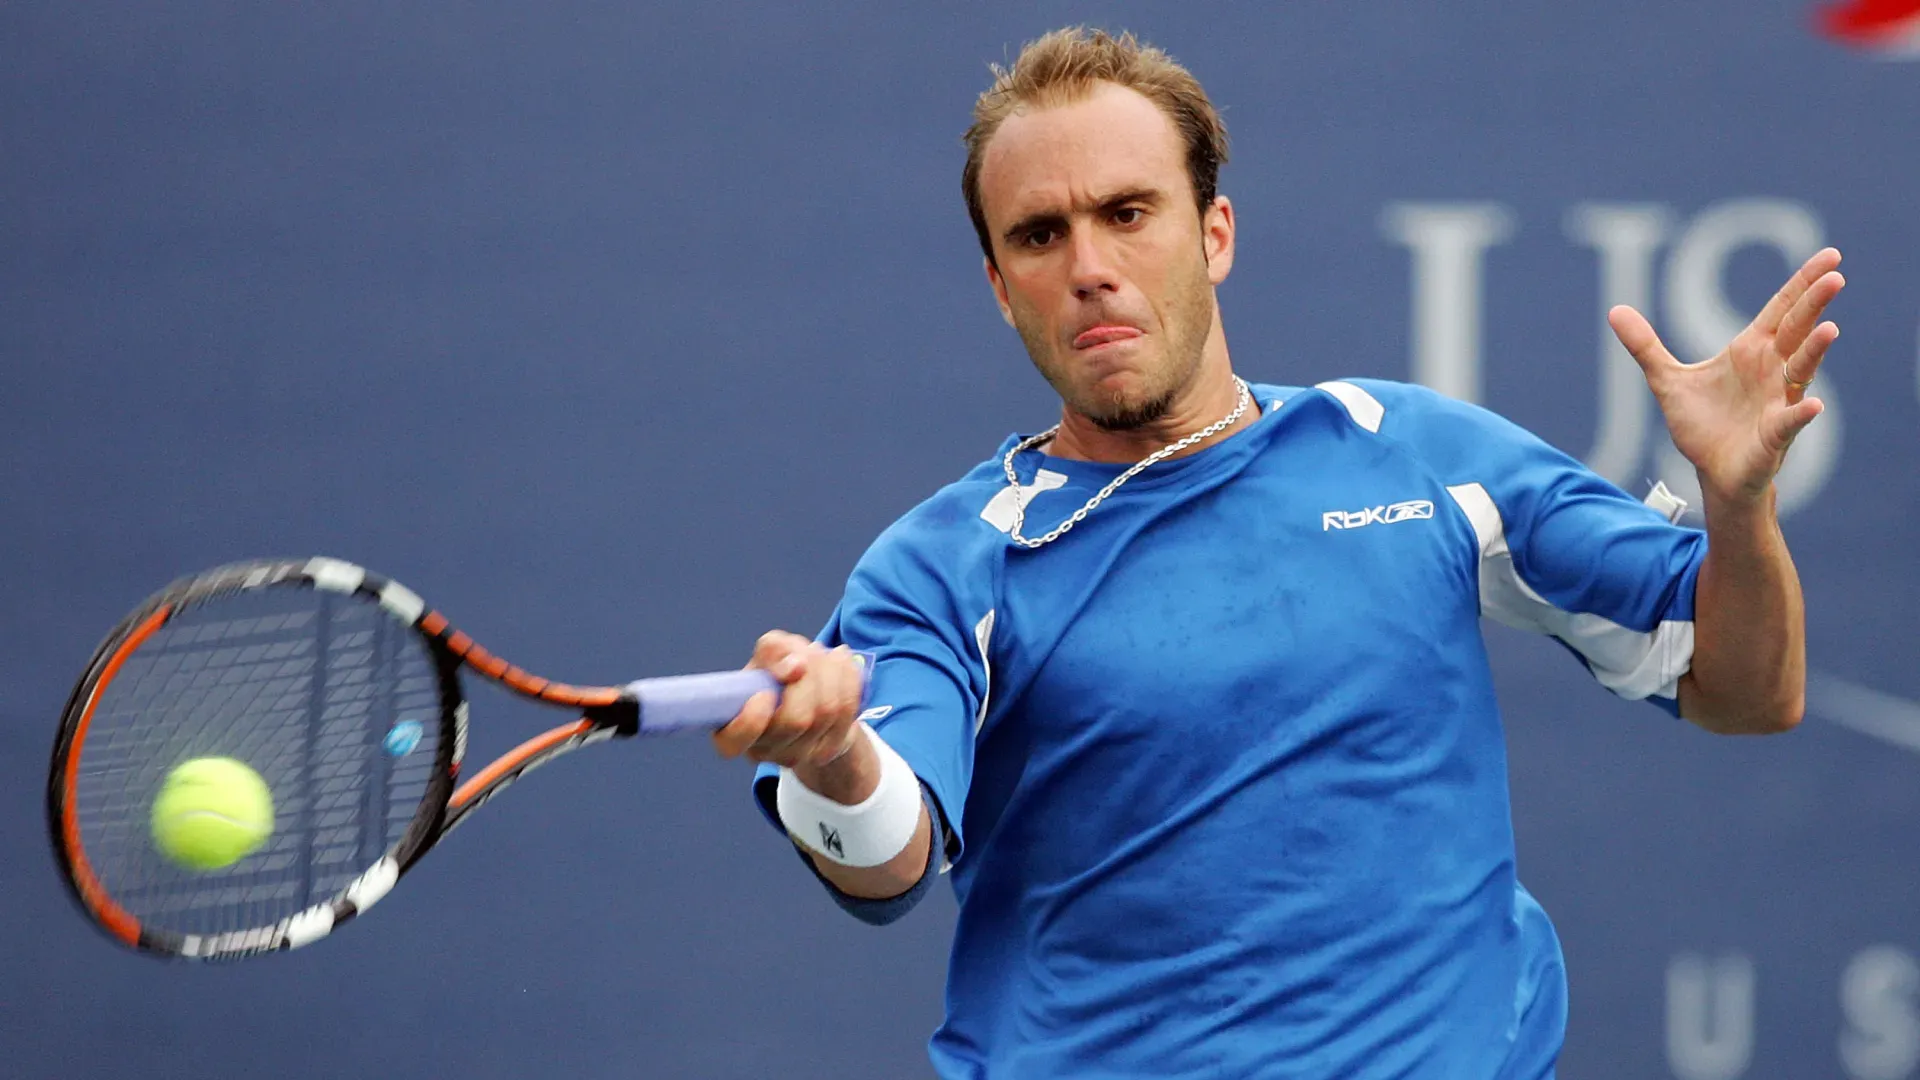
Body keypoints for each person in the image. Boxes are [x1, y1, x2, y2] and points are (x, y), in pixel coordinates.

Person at [713, 26, 1838, 1078]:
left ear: (1215, 234)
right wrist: (836, 757)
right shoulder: (941, 567)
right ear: (1003, 289)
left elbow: (1745, 688)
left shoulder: (1414, 456)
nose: (1090, 265)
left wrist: (1739, 509)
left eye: (1128, 212)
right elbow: (889, 855)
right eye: (1040, 236)